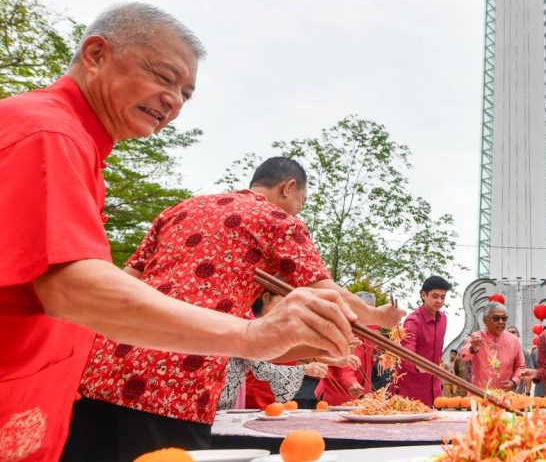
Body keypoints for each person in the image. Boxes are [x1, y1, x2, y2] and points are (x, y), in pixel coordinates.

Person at [0, 4, 363, 462]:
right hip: (173, 379)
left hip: (94, 376)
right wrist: (255, 334)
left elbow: (124, 278)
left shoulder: (171, 203)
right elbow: (72, 285)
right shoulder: (48, 132)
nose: (172, 100)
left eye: (186, 93)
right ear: (94, 54)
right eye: (163, 76)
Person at [65, 156, 401, 460]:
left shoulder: (179, 209)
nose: (299, 210)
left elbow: (125, 282)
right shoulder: (277, 219)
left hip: (102, 366)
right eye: (301, 201)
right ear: (289, 187)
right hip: (178, 378)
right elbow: (328, 295)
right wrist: (379, 316)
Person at [218, 289, 332, 410]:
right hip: (250, 391)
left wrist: (332, 356)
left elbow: (291, 352)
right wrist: (304, 369)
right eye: (284, 303)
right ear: (266, 297)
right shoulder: (246, 321)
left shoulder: (278, 325)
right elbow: (261, 366)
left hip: (260, 390)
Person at [315, 291, 380, 405]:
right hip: (335, 391)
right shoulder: (342, 328)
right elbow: (345, 366)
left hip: (361, 394)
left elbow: (370, 359)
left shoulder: (372, 329)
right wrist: (353, 383)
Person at [394, 276, 451, 405]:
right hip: (411, 389)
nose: (439, 301)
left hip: (434, 389)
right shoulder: (412, 321)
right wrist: (421, 366)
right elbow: (407, 354)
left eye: (443, 297)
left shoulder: (443, 319)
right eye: (435, 296)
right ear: (423, 295)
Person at [459, 303, 524, 391]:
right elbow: (463, 356)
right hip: (479, 394)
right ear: (485, 321)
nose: (501, 322)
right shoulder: (476, 337)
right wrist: (472, 349)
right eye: (496, 318)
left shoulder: (514, 340)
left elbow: (520, 366)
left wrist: (514, 382)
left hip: (504, 395)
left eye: (504, 318)